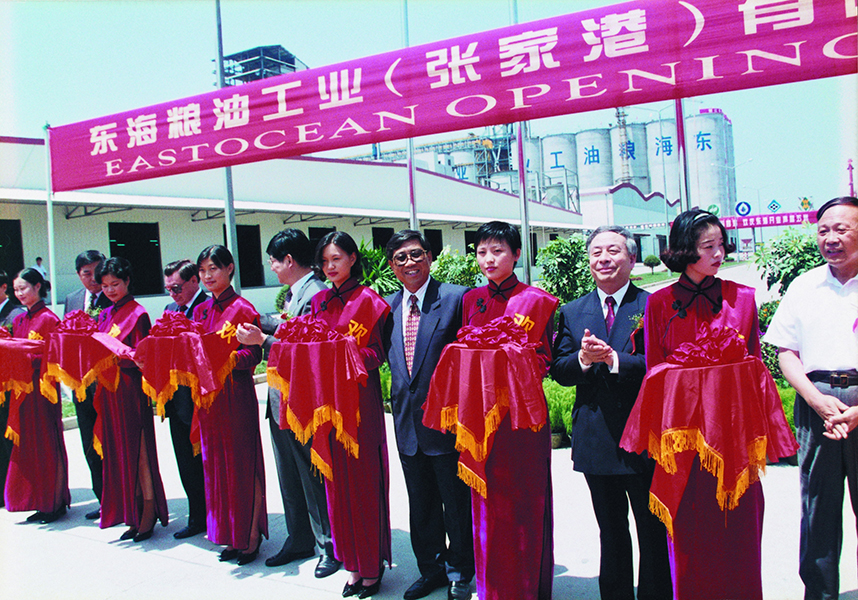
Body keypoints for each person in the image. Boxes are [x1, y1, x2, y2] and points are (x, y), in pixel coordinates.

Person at [637, 209, 796, 600]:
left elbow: (756, 370)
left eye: (721, 245)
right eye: (708, 246)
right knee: (690, 533)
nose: (719, 254)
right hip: (683, 443)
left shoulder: (742, 299)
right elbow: (654, 374)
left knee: (739, 531)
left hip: (734, 437)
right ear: (684, 250)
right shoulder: (659, 303)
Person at [551, 226, 672, 600]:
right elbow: (559, 369)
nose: (604, 258)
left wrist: (616, 360)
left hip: (644, 436)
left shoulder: (653, 305)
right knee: (611, 529)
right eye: (596, 252)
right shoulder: (573, 311)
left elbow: (665, 364)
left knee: (652, 528)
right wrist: (584, 359)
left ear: (632, 259)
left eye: (613, 251)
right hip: (597, 437)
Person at [764, 196, 858, 600]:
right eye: (823, 230)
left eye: (841, 229)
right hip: (816, 401)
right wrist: (816, 400)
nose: (830, 238)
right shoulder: (804, 286)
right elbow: (786, 351)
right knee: (817, 508)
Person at [462, 221, 558, 600]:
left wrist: (512, 359)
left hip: (522, 419)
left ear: (517, 254)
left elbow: (545, 360)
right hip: (480, 417)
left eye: (498, 250)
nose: (489, 259)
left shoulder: (537, 301)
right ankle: (493, 588)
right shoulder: (471, 300)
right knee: (487, 505)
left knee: (525, 502)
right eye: (482, 252)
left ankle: (530, 588)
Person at [235, 229, 339, 577]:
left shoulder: (317, 295)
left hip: (303, 401)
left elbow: (309, 348)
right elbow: (290, 329)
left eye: (274, 261)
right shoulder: (296, 294)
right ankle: (299, 537)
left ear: (289, 260)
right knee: (289, 474)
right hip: (282, 397)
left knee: (311, 474)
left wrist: (262, 340)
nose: (272, 268)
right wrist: (266, 324)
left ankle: (328, 545)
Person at [383, 230, 474, 600]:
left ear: (430, 257)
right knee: (421, 506)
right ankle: (431, 570)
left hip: (447, 424)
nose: (410, 263)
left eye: (416, 254)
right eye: (400, 258)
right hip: (407, 423)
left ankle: (460, 572)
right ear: (392, 266)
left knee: (456, 505)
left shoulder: (455, 298)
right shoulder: (386, 307)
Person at [311, 231, 391, 599]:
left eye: (336, 259)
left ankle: (372, 567)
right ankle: (352, 566)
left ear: (353, 258)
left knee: (363, 485)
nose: (330, 267)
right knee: (336, 488)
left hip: (359, 405)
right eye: (325, 261)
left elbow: (378, 355)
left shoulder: (371, 302)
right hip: (326, 404)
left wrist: (345, 353)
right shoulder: (319, 301)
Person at [193, 244, 267, 565]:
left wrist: (227, 359)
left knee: (242, 464)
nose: (207, 276)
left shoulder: (243, 308)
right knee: (217, 467)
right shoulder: (200, 311)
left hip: (236, 395)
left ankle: (250, 536)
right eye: (203, 271)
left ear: (229, 268)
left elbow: (255, 354)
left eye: (214, 268)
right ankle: (230, 535)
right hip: (208, 399)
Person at [94, 257, 169, 542]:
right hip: (109, 391)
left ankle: (149, 511)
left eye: (115, 284)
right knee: (119, 453)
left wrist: (120, 355)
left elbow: (143, 356)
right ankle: (132, 513)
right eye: (105, 286)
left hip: (130, 390)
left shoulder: (138, 314)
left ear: (127, 281)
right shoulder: (105, 314)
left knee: (139, 452)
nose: (110, 290)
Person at [3, 268, 70, 523]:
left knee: (47, 443)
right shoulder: (20, 319)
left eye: (23, 288)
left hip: (42, 390)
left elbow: (56, 354)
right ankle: (38, 501)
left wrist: (28, 355)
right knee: (28, 446)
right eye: (16, 290)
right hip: (22, 390)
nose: (19, 294)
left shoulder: (49, 318)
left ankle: (55, 502)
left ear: (38, 286)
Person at [63, 249, 111, 520]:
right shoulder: (72, 300)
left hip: (106, 382)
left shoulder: (112, 296)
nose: (93, 278)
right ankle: (102, 498)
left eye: (97, 271)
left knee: (110, 442)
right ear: (78, 275)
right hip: (80, 383)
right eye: (86, 273)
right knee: (89, 443)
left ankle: (121, 499)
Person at [162, 259, 208, 540]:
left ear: (194, 281)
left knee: (206, 463)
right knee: (185, 462)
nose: (173, 294)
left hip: (201, 400)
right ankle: (196, 517)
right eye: (168, 288)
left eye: (177, 287)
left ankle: (214, 517)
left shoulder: (207, 308)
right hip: (176, 399)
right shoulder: (169, 310)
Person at [0, 270, 26, 508]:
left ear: (3, 288)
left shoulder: (15, 315)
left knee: (8, 440)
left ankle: (10, 491)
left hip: (9, 387)